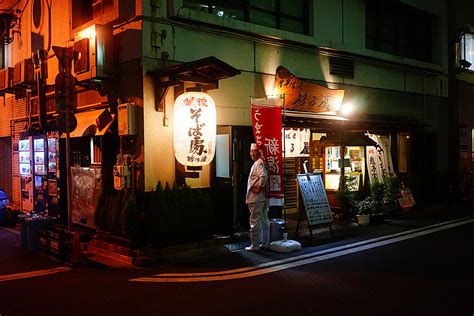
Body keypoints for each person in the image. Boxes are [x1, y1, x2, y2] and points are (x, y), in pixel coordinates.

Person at [245, 143, 270, 251]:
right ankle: (265, 243)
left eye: (251, 152)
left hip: (256, 198)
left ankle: (255, 245)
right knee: (264, 220)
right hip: (262, 198)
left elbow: (263, 176)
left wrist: (259, 187)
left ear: (256, 152)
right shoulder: (262, 163)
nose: (250, 154)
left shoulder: (258, 164)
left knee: (254, 221)